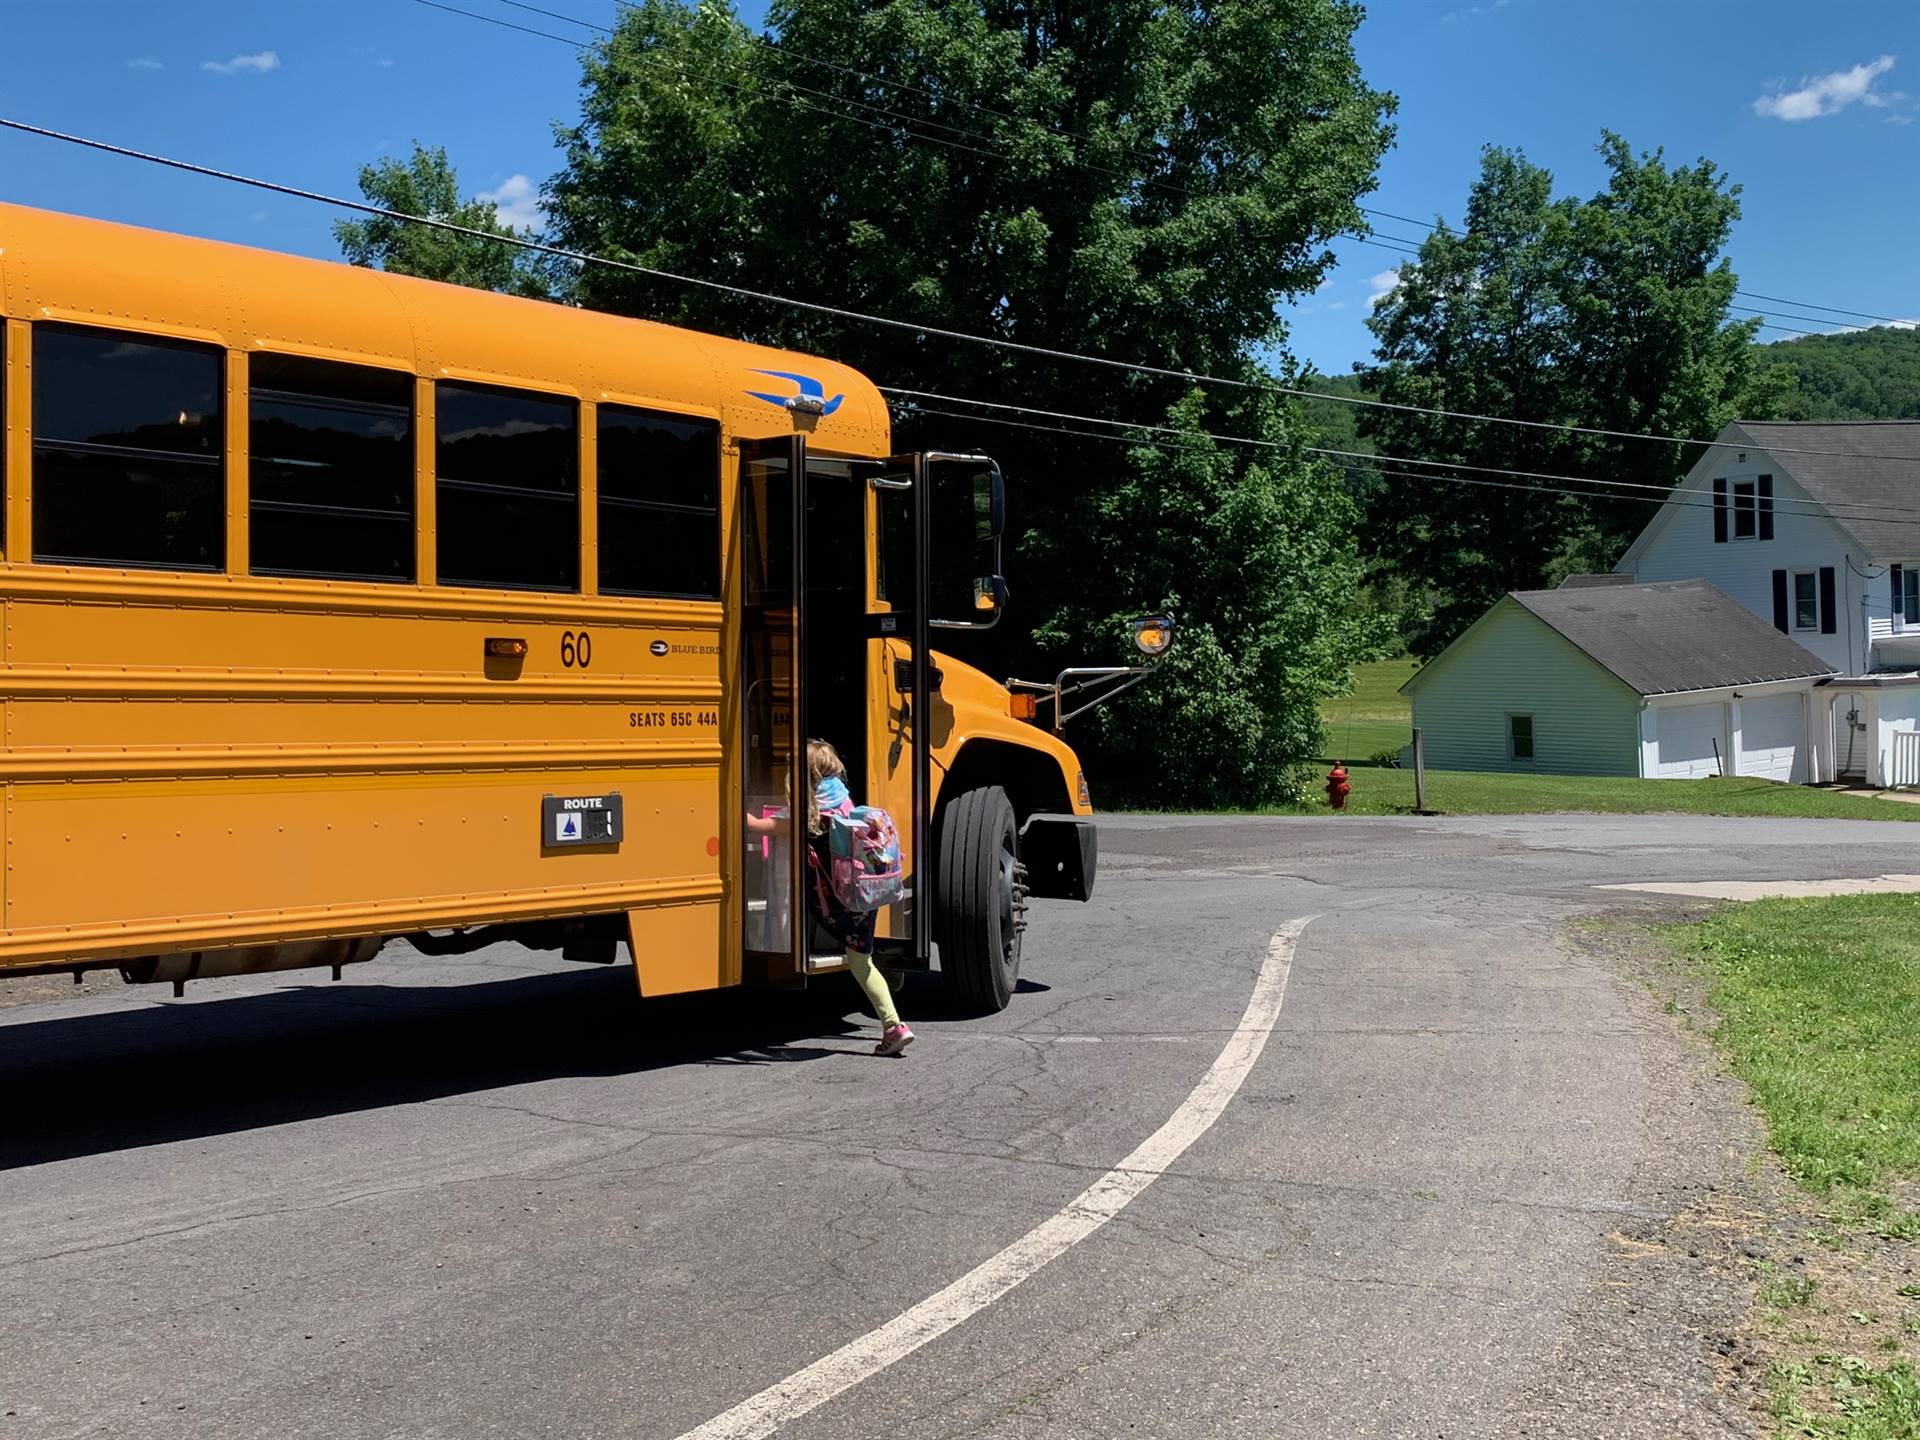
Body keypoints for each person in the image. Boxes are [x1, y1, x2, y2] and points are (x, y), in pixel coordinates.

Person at [745, 740, 914, 1056]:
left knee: (856, 962)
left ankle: (894, 1026)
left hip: (835, 903)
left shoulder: (805, 814)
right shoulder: (846, 805)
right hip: (864, 896)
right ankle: (892, 1009)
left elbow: (755, 826)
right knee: (862, 958)